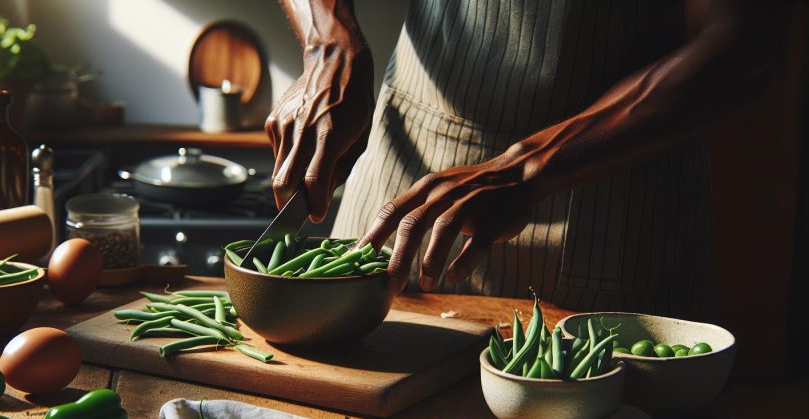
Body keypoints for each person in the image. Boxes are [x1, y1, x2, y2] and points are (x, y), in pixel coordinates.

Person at [266, 0, 789, 318]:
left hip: (616, 208)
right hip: (405, 179)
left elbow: (743, 44)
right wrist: (328, 42)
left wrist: (527, 167)